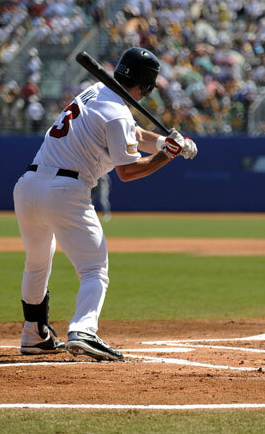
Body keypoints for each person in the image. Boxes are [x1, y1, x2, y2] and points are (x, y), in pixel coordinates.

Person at [13, 47, 198, 361]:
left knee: (37, 262)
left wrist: (164, 142)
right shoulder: (118, 112)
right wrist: (166, 155)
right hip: (65, 191)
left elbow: (133, 133)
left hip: (28, 186)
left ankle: (34, 333)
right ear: (148, 86)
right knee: (94, 269)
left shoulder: (96, 91)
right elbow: (127, 171)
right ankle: (84, 329)